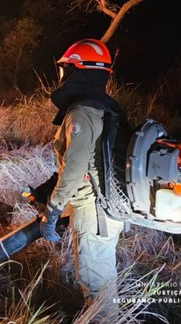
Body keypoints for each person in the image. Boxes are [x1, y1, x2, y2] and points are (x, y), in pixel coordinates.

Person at [37, 38, 126, 320]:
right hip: (105, 208)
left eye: (66, 69)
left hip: (92, 211)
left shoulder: (81, 113)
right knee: (102, 281)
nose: (62, 75)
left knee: (96, 287)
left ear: (78, 71)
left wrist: (53, 209)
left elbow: (75, 168)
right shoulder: (104, 108)